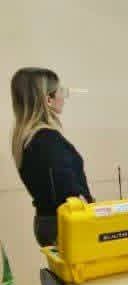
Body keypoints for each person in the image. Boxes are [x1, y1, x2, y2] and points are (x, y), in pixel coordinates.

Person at [11, 67, 93, 247]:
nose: (63, 97)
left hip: (47, 222)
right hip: (65, 225)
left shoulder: (27, 138)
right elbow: (68, 194)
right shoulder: (47, 140)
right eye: (60, 91)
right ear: (48, 99)